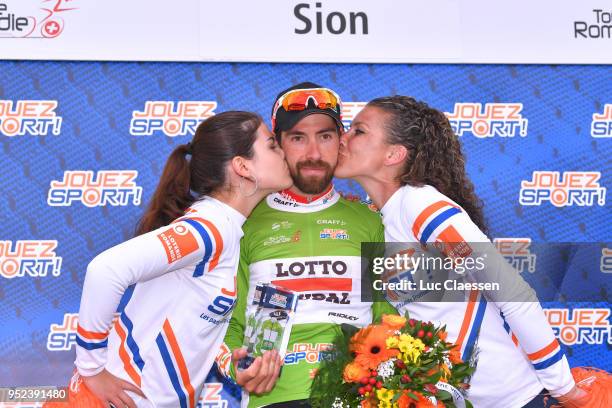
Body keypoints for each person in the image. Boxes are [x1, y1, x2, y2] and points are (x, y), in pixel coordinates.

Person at [333, 96, 588, 407]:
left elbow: (511, 293)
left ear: (393, 154)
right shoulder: (378, 218)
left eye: (358, 131)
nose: (342, 138)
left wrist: (565, 388)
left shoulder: (421, 205)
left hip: (513, 398)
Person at [63, 112, 292, 408]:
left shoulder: (229, 228)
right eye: (272, 145)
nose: (283, 152)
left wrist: (233, 363)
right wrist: (92, 368)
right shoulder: (211, 228)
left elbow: (201, 330)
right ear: (242, 166)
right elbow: (105, 270)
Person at [217, 83, 397, 407]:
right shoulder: (243, 223)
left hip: (357, 398)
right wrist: (238, 367)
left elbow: (391, 320)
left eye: (325, 136)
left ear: (341, 142)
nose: (313, 153)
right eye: (298, 138)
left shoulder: (373, 221)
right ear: (279, 145)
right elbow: (227, 323)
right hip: (272, 399)